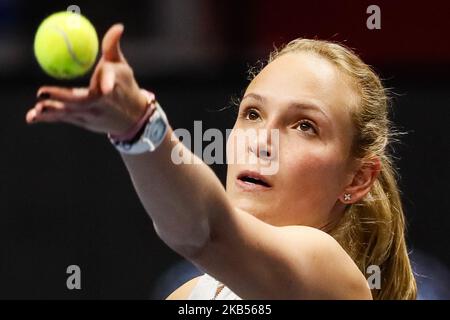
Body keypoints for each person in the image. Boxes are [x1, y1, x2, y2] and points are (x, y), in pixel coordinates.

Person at [26, 24, 416, 299]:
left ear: (358, 179)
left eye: (304, 126)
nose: (262, 142)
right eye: (252, 114)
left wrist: (137, 126)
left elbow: (207, 231)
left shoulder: (329, 274)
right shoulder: (187, 296)